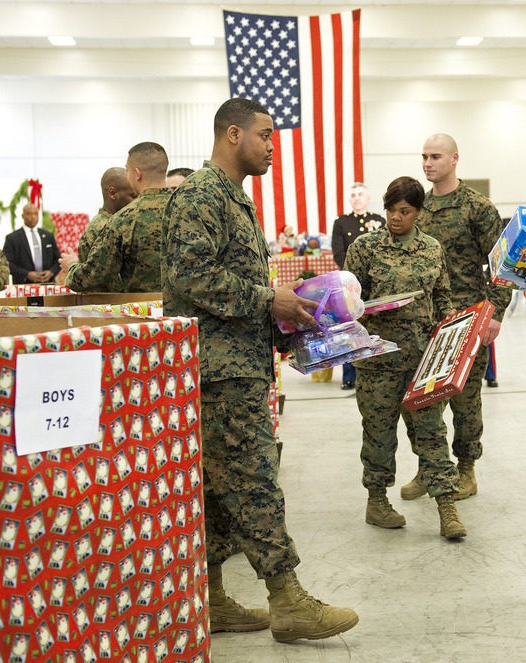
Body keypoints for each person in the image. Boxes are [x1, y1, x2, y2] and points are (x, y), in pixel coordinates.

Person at [161, 97, 358, 642]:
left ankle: (214, 597)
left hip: (239, 364)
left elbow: (231, 289)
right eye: (265, 136)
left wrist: (288, 321)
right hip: (218, 373)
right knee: (255, 483)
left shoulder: (232, 199)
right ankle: (288, 600)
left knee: (221, 491)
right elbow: (190, 277)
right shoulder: (201, 196)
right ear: (232, 135)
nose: (273, 147)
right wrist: (268, 299)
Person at [344, 176, 466, 540]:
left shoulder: (432, 248)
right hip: (378, 360)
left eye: (404, 211)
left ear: (418, 212)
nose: (395, 218)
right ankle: (377, 501)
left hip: (422, 360)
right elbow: (348, 301)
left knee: (432, 432)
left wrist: (450, 329)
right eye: (391, 210)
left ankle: (447, 505)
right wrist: (361, 310)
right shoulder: (365, 248)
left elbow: (443, 295)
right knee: (379, 435)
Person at [400, 133, 512, 503]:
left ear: (454, 159)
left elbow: (502, 265)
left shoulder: (477, 208)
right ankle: (430, 467)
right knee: (421, 402)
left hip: (467, 319)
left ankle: (466, 468)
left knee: (466, 401)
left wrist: (494, 313)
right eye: (424, 156)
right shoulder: (419, 207)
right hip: (425, 322)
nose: (427, 163)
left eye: (435, 156)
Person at [60, 142, 171, 293]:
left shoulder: (124, 219)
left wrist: (72, 266)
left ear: (137, 174)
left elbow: (93, 276)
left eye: (127, 170)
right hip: (190, 314)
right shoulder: (190, 208)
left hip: (146, 311)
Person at [331, 182, 385, 390]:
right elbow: (338, 252)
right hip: (350, 284)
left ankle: (377, 366)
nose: (357, 198)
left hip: (375, 281)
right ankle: (349, 376)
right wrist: (352, 277)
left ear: (368, 197)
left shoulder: (379, 221)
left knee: (377, 325)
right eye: (353, 195)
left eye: (360, 194)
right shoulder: (342, 223)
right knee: (349, 327)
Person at [77, 167, 135, 264]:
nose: (137, 201)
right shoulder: (101, 229)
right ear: (112, 193)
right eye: (133, 196)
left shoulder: (119, 222)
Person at [2, 203, 61, 284]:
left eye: (35, 214)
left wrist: (51, 272)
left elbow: (58, 260)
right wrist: (26, 274)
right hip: (23, 286)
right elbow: (6, 263)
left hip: (47, 285)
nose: (33, 216)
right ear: (22, 216)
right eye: (29, 214)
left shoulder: (48, 236)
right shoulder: (12, 238)